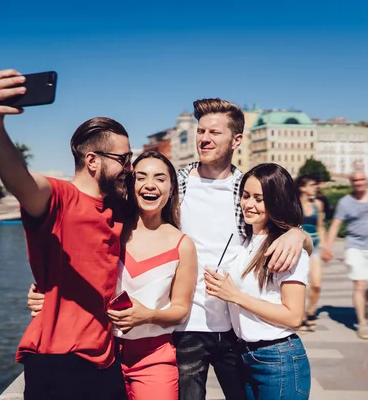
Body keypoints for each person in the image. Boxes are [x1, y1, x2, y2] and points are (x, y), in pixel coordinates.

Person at [28, 98, 313, 400]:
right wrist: (51, 287)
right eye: (201, 130)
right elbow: (92, 230)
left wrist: (298, 235)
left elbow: (276, 228)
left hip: (234, 329)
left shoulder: (247, 190)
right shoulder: (170, 183)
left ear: (237, 140)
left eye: (215, 133)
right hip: (185, 326)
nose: (204, 138)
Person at [0, 69, 131, 400]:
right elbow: (15, 174)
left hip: (105, 359)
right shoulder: (59, 198)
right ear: (93, 161)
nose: (129, 168)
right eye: (123, 159)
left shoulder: (117, 207)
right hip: (59, 362)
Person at [204, 163, 311, 400]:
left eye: (259, 199)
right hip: (245, 355)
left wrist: (235, 295)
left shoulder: (286, 249)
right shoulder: (245, 242)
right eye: (245, 196)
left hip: (278, 358)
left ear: (276, 201)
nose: (248, 204)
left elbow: (293, 317)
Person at [103, 150, 197, 400]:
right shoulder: (112, 231)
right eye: (141, 177)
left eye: (160, 178)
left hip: (154, 358)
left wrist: (148, 315)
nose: (150, 185)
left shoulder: (182, 244)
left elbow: (180, 308)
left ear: (172, 188)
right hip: (102, 355)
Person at [322, 171, 368, 340]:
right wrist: (327, 247)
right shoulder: (345, 202)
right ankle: (362, 323)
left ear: (366, 180)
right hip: (355, 247)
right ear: (351, 182)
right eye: (355, 180)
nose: (359, 183)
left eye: (362, 179)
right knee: (359, 284)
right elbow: (336, 225)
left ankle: (363, 302)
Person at [296, 175, 327, 331]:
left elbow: (320, 226)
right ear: (302, 187)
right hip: (299, 248)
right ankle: (300, 316)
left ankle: (311, 312)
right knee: (299, 284)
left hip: (315, 247)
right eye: (312, 185)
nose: (315, 187)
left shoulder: (318, 205)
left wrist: (326, 246)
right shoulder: (294, 205)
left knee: (316, 284)